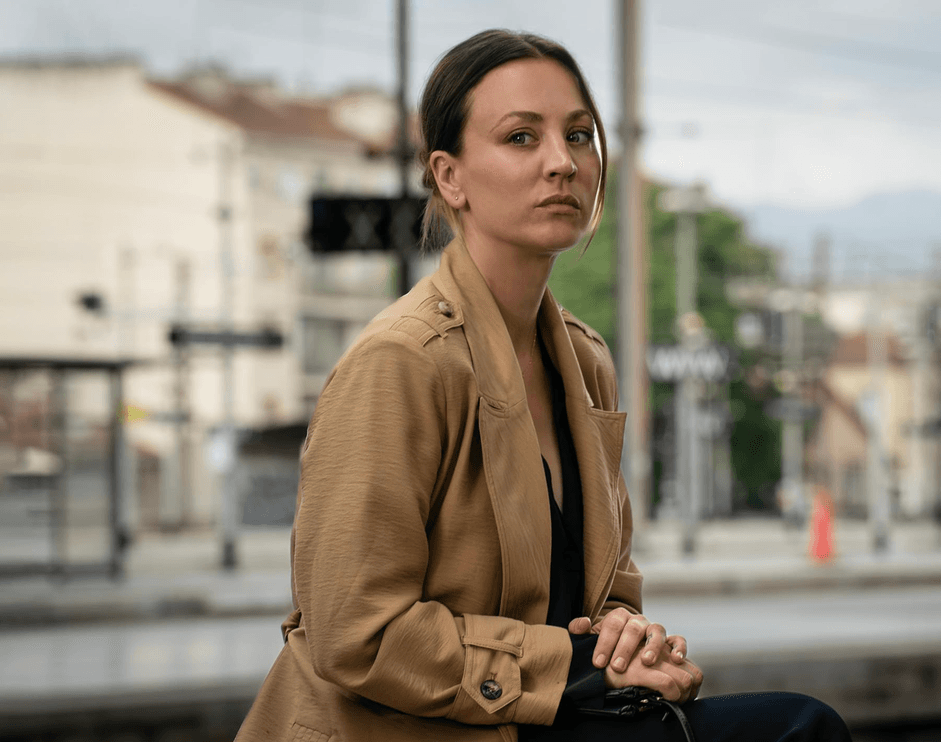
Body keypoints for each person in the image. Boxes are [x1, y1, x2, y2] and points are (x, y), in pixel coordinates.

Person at [236, 29, 852, 742]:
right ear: (450, 176)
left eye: (580, 135)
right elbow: (356, 632)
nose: (562, 162)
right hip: (414, 731)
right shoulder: (400, 363)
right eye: (522, 137)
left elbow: (607, 590)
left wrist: (627, 639)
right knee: (800, 731)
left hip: (543, 722)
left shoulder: (585, 361)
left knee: (802, 728)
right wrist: (580, 664)